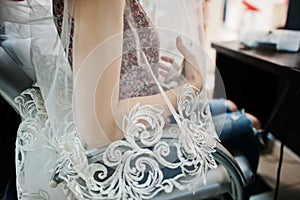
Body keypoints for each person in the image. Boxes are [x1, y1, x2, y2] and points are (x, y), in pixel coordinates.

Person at [0, 0, 260, 199]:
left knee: (230, 108)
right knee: (247, 126)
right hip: (110, 157)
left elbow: (93, 61)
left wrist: (141, 69)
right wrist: (187, 90)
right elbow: (102, 129)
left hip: (123, 119)